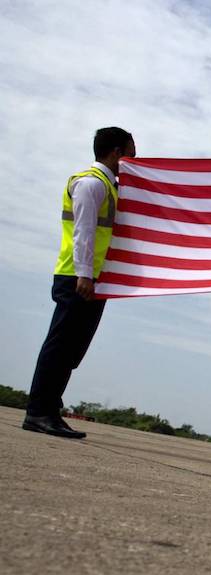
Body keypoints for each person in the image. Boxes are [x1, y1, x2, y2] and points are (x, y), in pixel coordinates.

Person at [24, 128, 136, 439]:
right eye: (130, 154)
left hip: (94, 279)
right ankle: (38, 412)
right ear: (115, 153)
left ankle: (50, 409)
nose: (132, 161)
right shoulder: (91, 184)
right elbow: (83, 232)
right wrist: (85, 275)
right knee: (60, 345)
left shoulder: (110, 186)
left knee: (73, 349)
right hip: (78, 276)